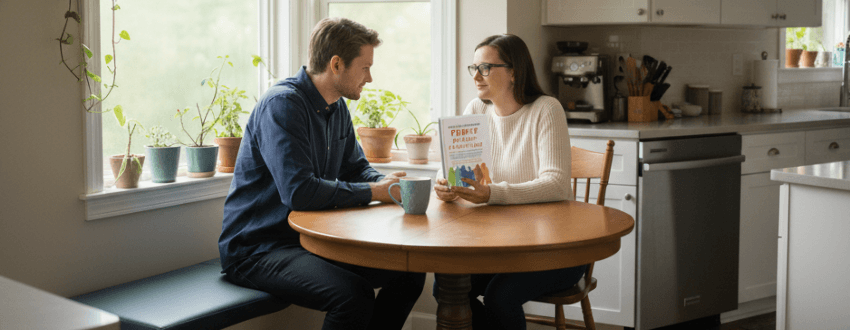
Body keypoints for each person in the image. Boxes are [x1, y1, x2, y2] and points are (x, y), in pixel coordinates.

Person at [219, 17, 425, 330]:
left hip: (309, 241)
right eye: (365, 67)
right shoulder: (282, 105)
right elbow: (299, 192)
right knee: (353, 296)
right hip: (258, 248)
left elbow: (355, 167)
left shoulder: (336, 106)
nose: (370, 78)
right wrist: (374, 192)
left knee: (409, 273)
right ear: (336, 64)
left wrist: (387, 184)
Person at [432, 34, 584, 330]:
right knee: (447, 287)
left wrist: (491, 193)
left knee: (500, 297)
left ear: (514, 72)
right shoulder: (477, 109)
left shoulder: (546, 109)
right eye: (474, 68)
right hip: (498, 245)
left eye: (485, 68)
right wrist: (446, 183)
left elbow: (556, 184)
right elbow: (456, 166)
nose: (476, 76)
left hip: (555, 248)